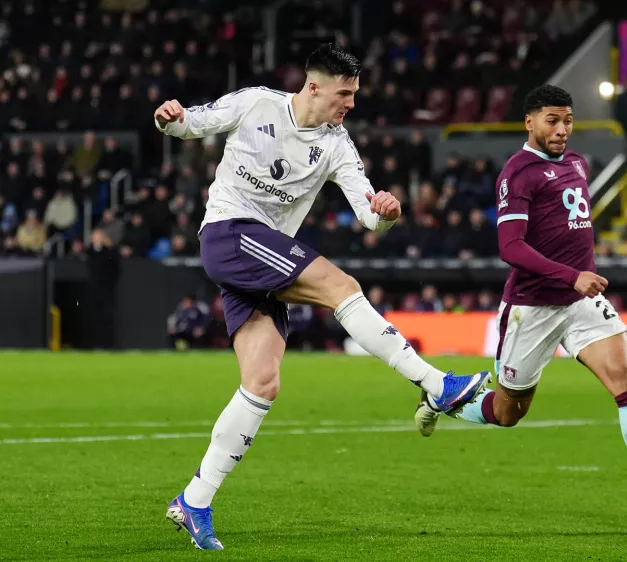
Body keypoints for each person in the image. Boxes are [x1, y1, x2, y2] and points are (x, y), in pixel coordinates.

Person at [154, 44, 490, 550]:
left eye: (354, 93)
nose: (351, 103)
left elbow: (368, 214)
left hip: (263, 256)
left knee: (263, 383)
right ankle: (435, 383)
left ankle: (195, 499)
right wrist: (169, 118)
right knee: (341, 287)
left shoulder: (337, 144)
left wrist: (385, 210)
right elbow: (192, 123)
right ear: (314, 86)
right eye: (345, 93)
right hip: (229, 233)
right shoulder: (257, 104)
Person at [412, 85, 627, 531]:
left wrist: (582, 276)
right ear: (530, 122)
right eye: (552, 120)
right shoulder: (517, 173)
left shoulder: (578, 163)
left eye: (567, 120)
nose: (562, 129)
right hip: (533, 306)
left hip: (581, 301)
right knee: (507, 413)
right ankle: (442, 397)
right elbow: (510, 247)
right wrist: (571, 274)